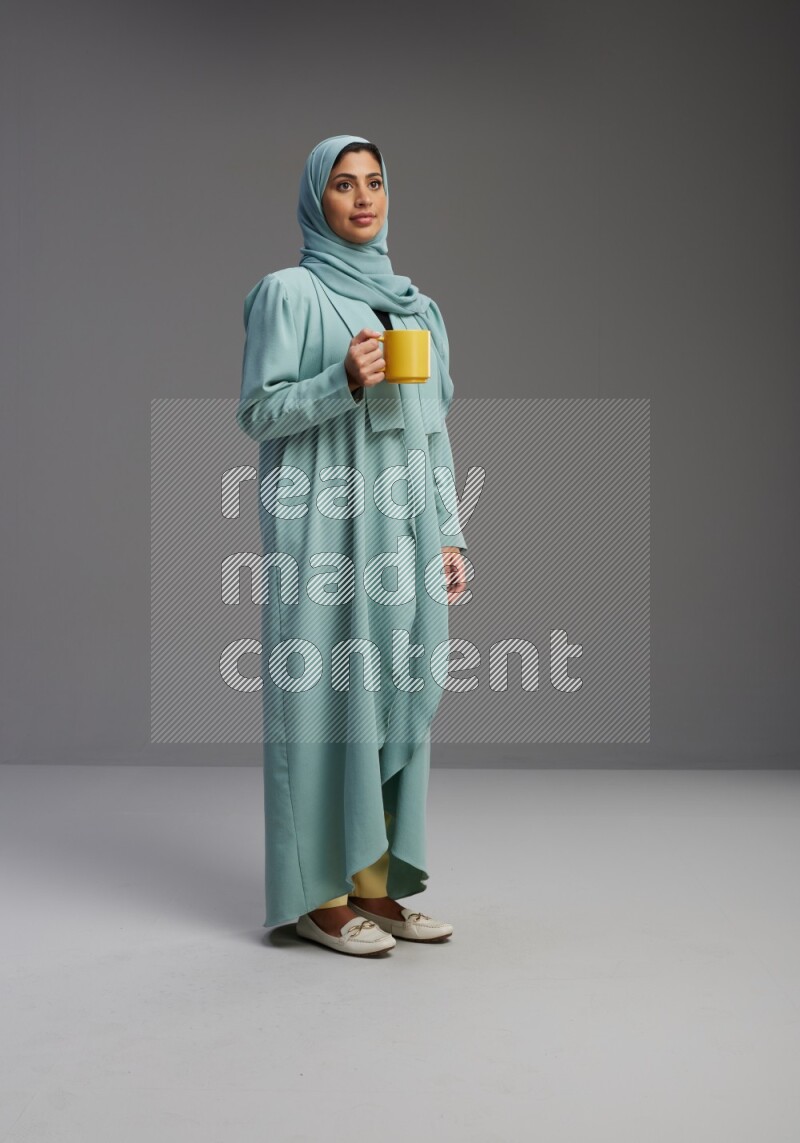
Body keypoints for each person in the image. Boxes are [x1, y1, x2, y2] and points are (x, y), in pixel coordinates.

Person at [237, 134, 469, 956]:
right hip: (324, 531)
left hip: (404, 531)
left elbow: (433, 435)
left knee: (403, 691)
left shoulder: (417, 307)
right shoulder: (288, 294)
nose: (363, 198)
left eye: (375, 183)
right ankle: (319, 896)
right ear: (316, 199)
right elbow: (259, 413)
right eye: (343, 185)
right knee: (324, 704)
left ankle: (378, 884)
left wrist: (449, 533)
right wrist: (341, 380)